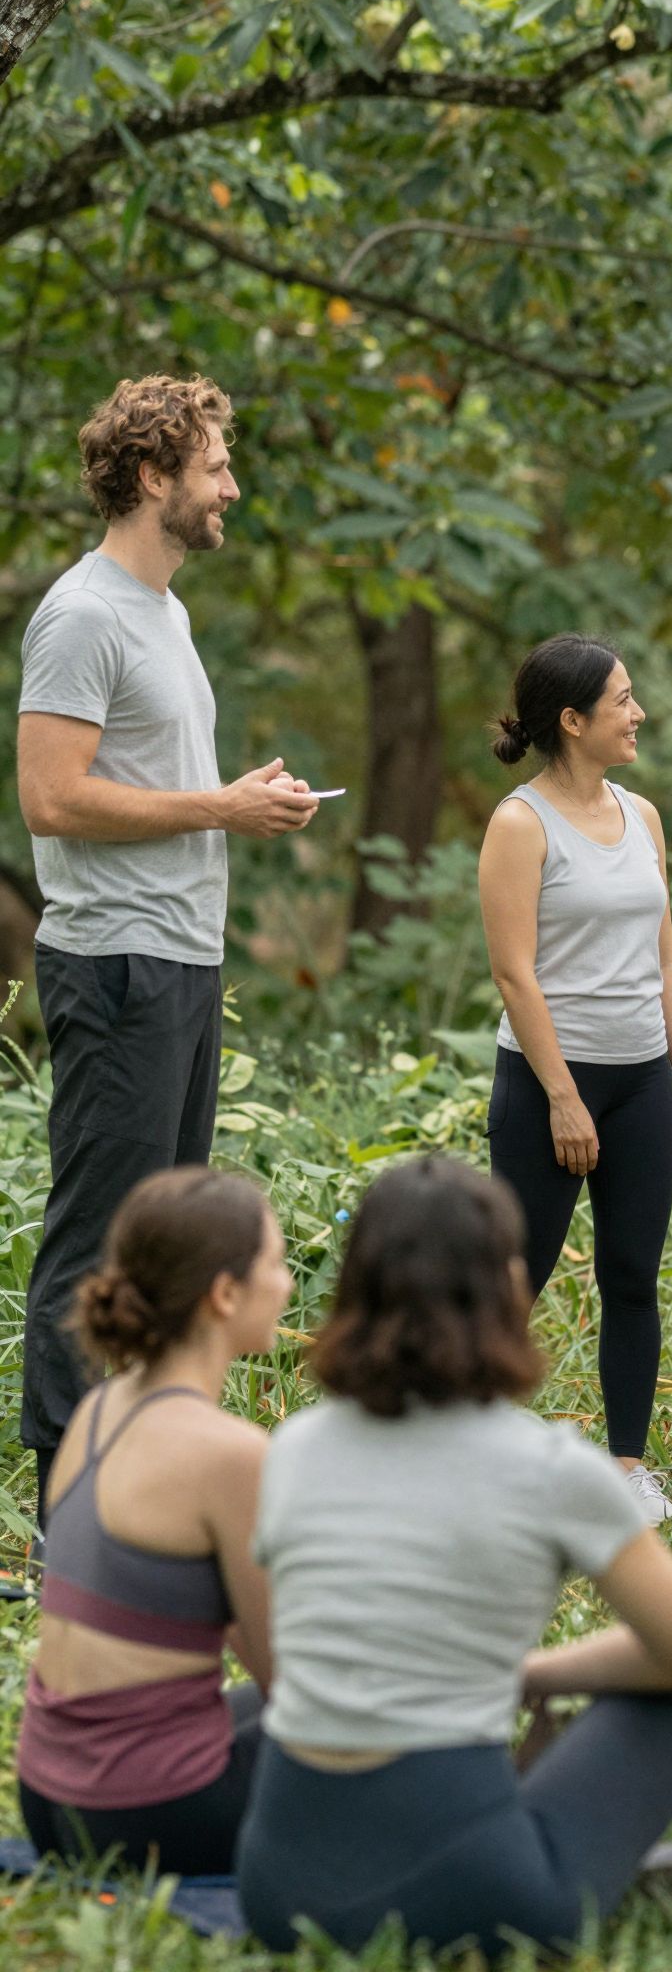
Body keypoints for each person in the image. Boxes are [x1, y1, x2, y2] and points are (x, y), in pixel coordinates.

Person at [237, 1158, 672, 1958]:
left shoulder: (292, 1448)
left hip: (279, 1887)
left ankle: (571, 1848)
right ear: (507, 1283)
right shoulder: (550, 1467)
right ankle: (601, 1870)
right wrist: (532, 1674)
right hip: (477, 1898)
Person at [17, 375, 318, 1514]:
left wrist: (243, 799)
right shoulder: (82, 613)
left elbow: (142, 780)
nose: (230, 485)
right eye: (212, 465)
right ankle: (64, 1508)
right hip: (116, 963)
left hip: (183, 956)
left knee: (172, 1236)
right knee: (104, 1236)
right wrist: (220, 807)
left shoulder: (166, 613)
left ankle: (143, 1478)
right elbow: (52, 799)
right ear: (154, 478)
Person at [478, 635, 672, 1524]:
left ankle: (627, 1467)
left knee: (632, 1275)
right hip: (546, 1086)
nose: (638, 713)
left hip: (643, 1077)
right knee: (517, 1277)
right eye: (623, 700)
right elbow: (513, 974)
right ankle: (472, 1458)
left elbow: (666, 955)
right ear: (572, 722)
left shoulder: (641, 815)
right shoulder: (520, 823)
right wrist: (565, 1097)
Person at [16, 1168, 285, 1874]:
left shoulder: (98, 1410)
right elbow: (291, 1680)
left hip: (48, 1799)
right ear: (225, 1295)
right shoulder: (231, 1454)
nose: (287, 1284)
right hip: (148, 1815)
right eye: (277, 1265)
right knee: (388, 1725)